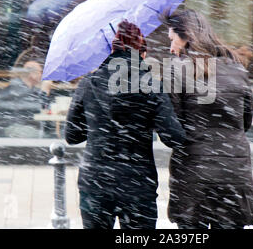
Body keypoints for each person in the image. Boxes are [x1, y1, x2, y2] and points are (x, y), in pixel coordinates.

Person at [65, 20, 186, 229]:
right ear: (142, 53)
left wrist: (98, 123)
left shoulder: (89, 83)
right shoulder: (152, 86)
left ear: (112, 51)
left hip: (95, 182)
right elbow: (174, 138)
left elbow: (72, 136)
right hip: (137, 184)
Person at [159, 9, 253, 229]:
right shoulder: (237, 68)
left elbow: (172, 131)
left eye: (172, 39)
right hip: (233, 170)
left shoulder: (176, 71)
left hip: (194, 175)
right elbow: (246, 122)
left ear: (185, 38)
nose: (171, 47)